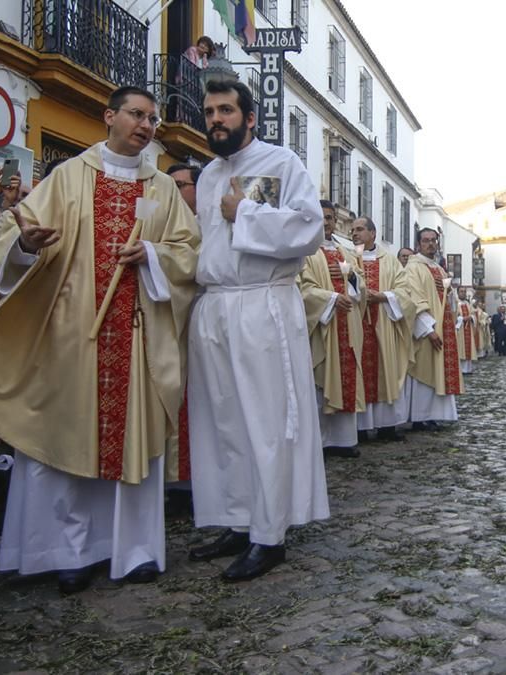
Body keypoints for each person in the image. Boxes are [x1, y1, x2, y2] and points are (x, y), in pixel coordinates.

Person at [0, 85, 200, 594]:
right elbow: (6, 242)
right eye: (137, 114)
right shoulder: (68, 177)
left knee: (133, 447)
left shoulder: (162, 189)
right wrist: (27, 246)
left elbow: (190, 252)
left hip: (137, 341)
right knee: (69, 444)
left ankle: (134, 550)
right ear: (109, 116)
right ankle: (70, 552)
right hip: (72, 337)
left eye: (152, 119)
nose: (146, 125)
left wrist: (155, 256)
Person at [186, 79, 327, 582]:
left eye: (226, 110)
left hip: (262, 304)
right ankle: (238, 519)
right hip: (216, 306)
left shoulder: (282, 163)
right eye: (209, 112)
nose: (216, 120)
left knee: (266, 422)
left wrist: (244, 211)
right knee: (223, 421)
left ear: (249, 118)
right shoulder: (207, 176)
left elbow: (310, 229)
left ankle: (269, 535)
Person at [301, 201, 364, 457]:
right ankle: (321, 441)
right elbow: (302, 288)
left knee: (346, 377)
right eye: (321, 217)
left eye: (330, 218)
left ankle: (344, 440)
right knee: (321, 378)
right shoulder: (305, 251)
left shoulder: (345, 252)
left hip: (348, 324)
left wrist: (352, 279)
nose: (326, 222)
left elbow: (361, 285)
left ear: (335, 221)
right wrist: (330, 299)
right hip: (323, 325)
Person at [351, 216, 411, 442]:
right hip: (356, 324)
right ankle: (360, 427)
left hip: (384, 323)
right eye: (353, 230)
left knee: (385, 371)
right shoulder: (348, 257)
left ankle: (386, 425)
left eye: (360, 229)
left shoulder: (390, 261)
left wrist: (384, 296)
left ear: (373, 233)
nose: (355, 234)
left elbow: (405, 291)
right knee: (358, 372)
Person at [398, 228, 462, 431]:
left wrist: (449, 293)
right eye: (426, 240)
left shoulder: (439, 269)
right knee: (423, 370)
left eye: (434, 240)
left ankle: (433, 415)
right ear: (418, 244)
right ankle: (420, 416)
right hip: (426, 329)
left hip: (443, 326)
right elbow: (413, 299)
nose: (430, 244)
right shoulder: (413, 268)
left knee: (438, 370)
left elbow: (448, 299)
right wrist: (427, 329)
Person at [456, 288, 478, 374]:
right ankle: (461, 369)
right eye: (461, 291)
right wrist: (462, 318)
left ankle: (468, 369)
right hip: (459, 330)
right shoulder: (455, 303)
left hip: (468, 329)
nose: (463, 293)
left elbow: (473, 315)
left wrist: (471, 317)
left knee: (469, 348)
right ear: (458, 293)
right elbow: (452, 316)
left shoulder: (468, 304)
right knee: (460, 348)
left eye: (464, 291)